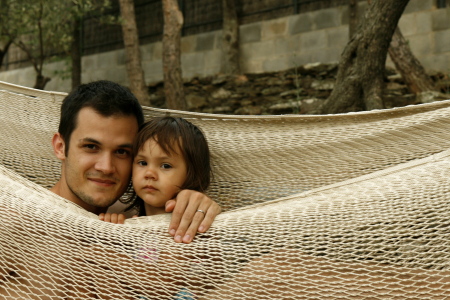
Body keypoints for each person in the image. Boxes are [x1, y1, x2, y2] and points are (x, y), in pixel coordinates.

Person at [50, 80, 221, 243]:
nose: (106, 167)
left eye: (122, 152)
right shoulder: (28, 218)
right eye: (91, 147)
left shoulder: (131, 217)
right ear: (60, 147)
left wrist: (194, 206)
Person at [100, 116, 212, 222]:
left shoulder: (201, 222)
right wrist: (112, 230)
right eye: (142, 163)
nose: (149, 173)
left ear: (193, 174)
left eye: (165, 166)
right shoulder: (126, 218)